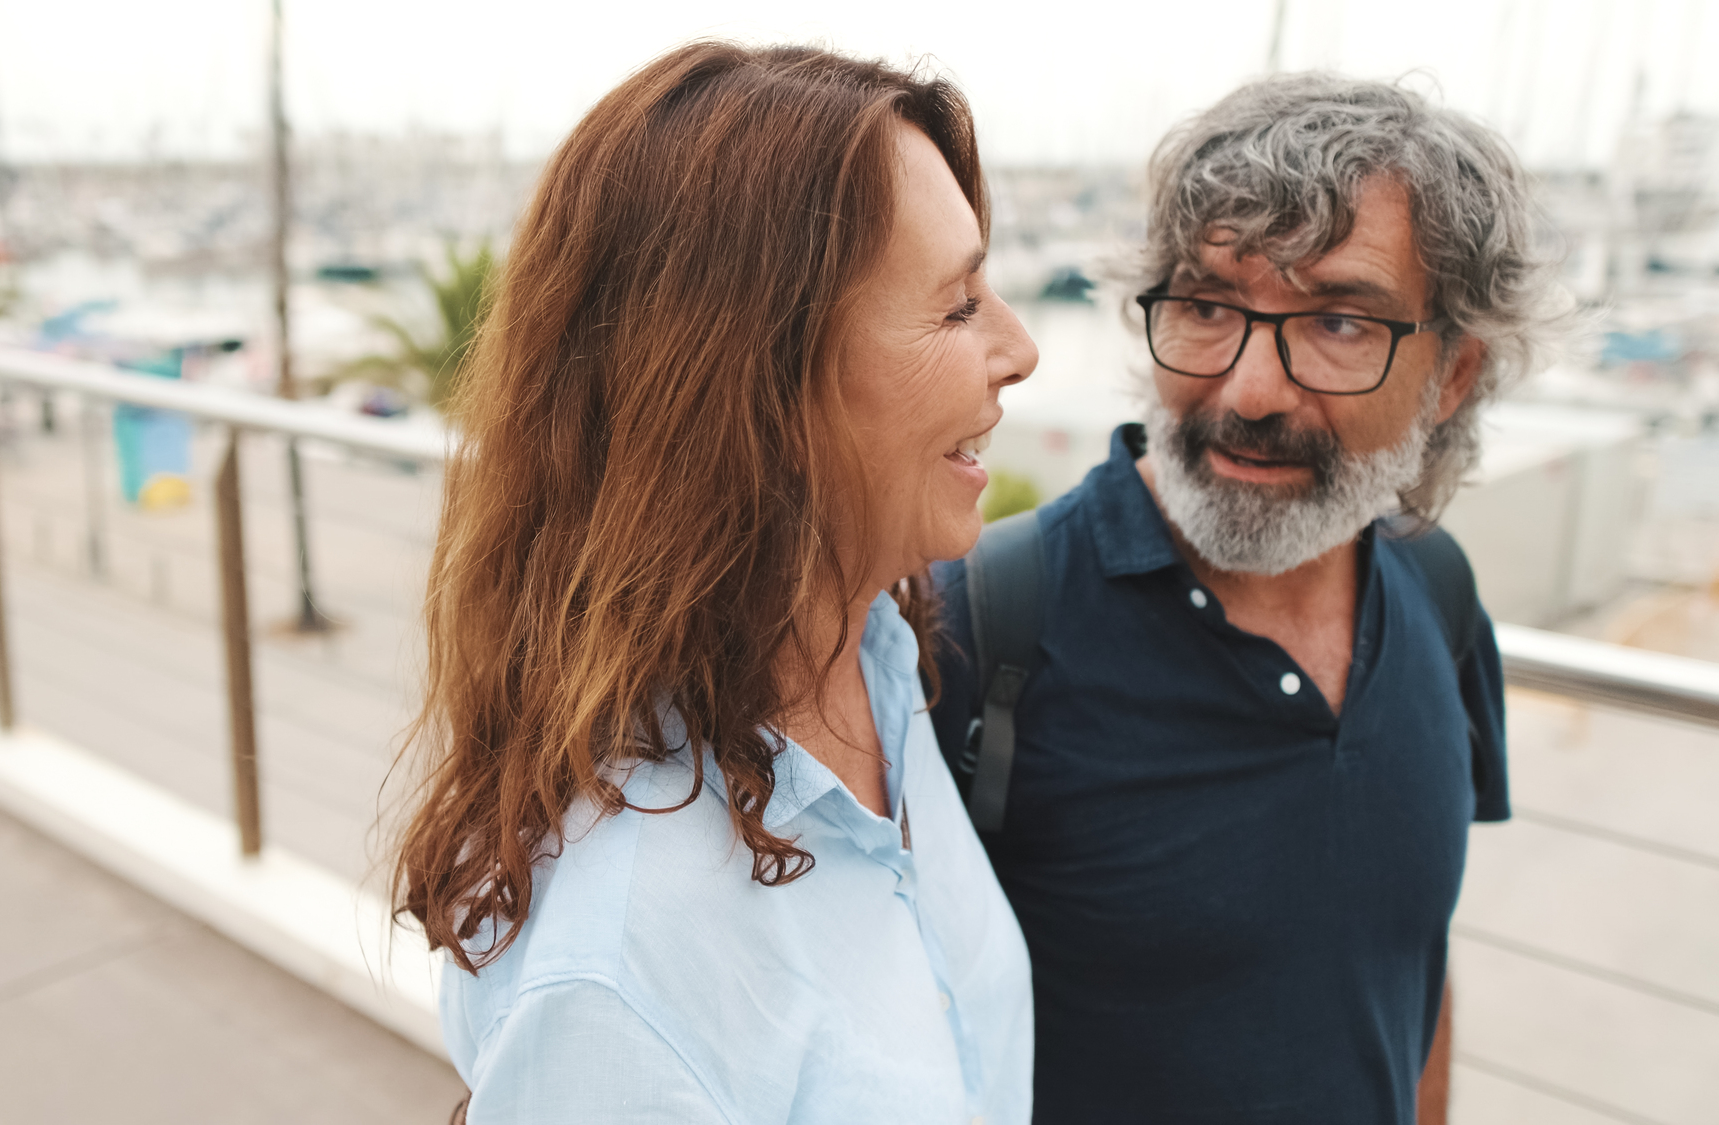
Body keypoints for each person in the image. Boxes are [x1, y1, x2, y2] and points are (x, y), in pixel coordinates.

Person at [390, 43, 1040, 1124]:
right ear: (756, 390)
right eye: (957, 305)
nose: (1018, 349)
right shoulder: (621, 974)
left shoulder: (876, 651)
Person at [931, 74, 1565, 1124]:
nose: (1249, 391)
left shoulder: (1438, 595)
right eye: (1204, 306)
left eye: (1336, 323)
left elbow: (1403, 962)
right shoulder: (975, 629)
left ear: (1452, 373)